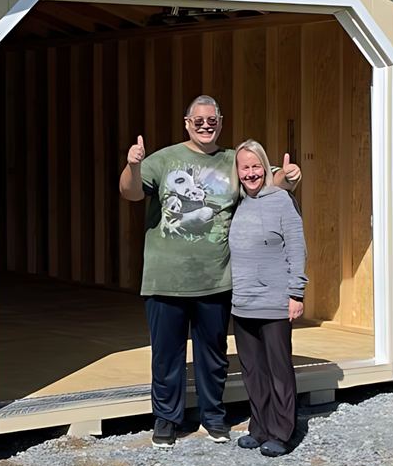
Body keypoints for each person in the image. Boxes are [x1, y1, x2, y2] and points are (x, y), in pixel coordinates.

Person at [120, 96, 301, 447]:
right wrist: (132, 165)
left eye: (212, 119)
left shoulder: (231, 160)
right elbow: (130, 193)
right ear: (187, 122)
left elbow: (260, 180)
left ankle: (213, 417)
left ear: (220, 120)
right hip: (166, 279)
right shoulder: (164, 159)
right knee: (166, 355)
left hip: (217, 279)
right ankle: (166, 420)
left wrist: (288, 177)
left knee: (213, 356)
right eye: (198, 120)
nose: (206, 125)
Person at [228, 140, 306, 456]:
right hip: (242, 301)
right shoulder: (235, 203)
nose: (250, 173)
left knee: (278, 370)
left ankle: (282, 432)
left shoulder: (282, 201)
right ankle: (259, 428)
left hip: (274, 301)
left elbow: (297, 247)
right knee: (253, 371)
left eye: (255, 166)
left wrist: (296, 293)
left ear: (265, 167)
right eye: (244, 167)